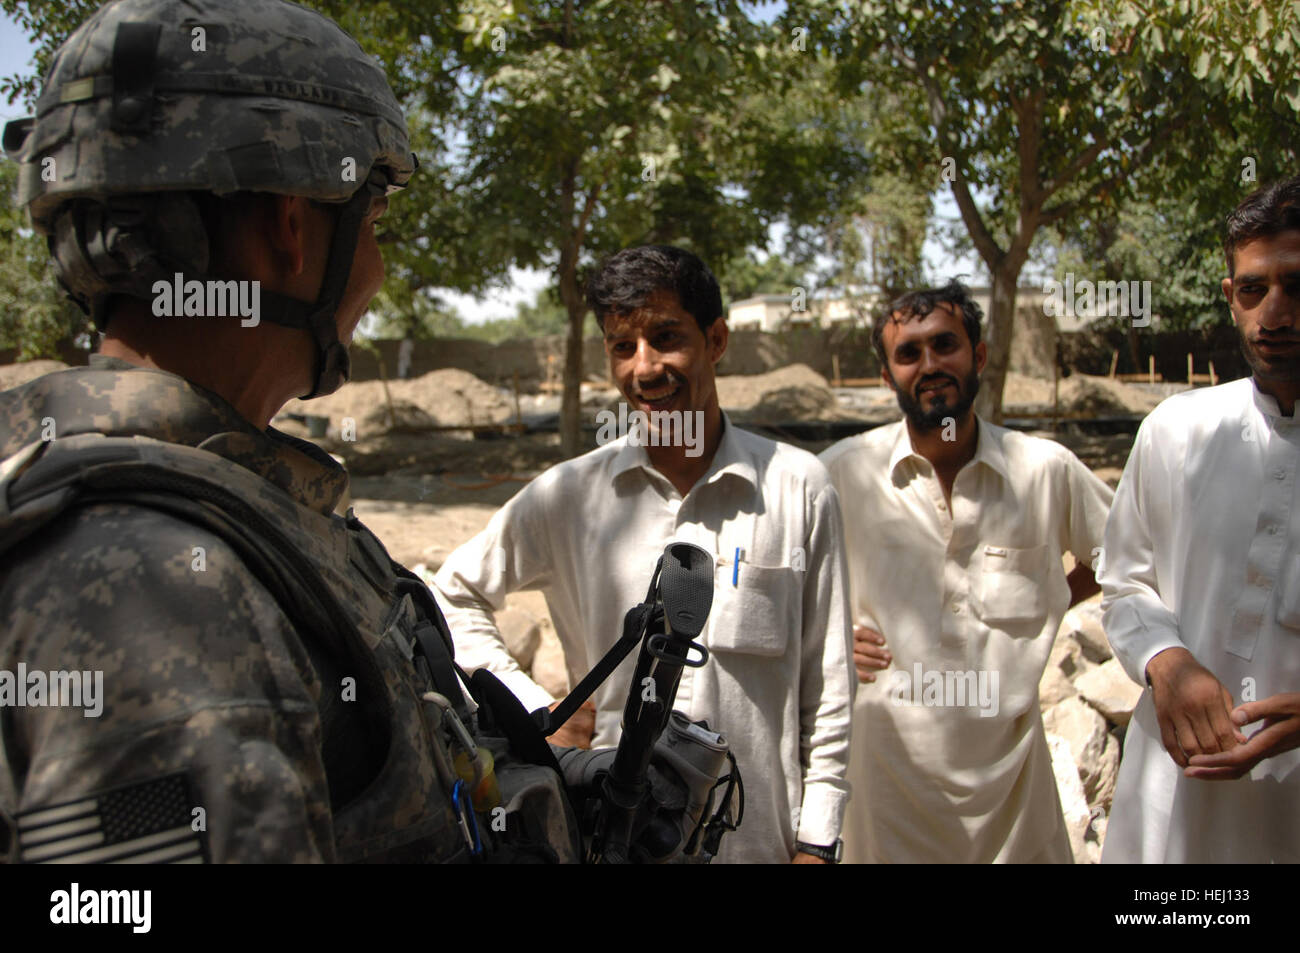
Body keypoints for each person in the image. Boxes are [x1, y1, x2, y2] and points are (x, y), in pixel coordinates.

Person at [0, 0, 596, 864]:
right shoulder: (165, 592)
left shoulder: (217, 502)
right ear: (290, 222)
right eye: (375, 223)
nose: (380, 269)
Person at [433, 245, 855, 864]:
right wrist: (536, 712)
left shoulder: (799, 488)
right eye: (621, 346)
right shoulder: (570, 494)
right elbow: (454, 593)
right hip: (609, 840)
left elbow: (831, 694)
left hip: (758, 843)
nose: (645, 368)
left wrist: (818, 844)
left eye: (665, 337)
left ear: (716, 340)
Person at [820, 281, 1114, 863]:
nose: (929, 365)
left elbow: (1126, 555)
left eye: (945, 345)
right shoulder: (839, 476)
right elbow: (782, 595)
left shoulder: (1044, 471)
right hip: (884, 793)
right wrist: (824, 643)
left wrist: (1054, 593)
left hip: (1013, 801)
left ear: (977, 356)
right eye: (908, 354)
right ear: (886, 376)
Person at [1100, 177, 1300, 863]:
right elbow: (1124, 582)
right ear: (1229, 297)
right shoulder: (1177, 430)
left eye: (1296, 285)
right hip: (1174, 801)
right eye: (1253, 289)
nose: (1274, 313)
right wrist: (1166, 658)